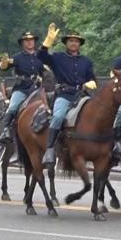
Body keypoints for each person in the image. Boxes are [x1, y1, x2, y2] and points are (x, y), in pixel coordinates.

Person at [37, 24, 97, 166]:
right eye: (71, 41)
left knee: (99, 113)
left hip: (82, 95)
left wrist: (91, 83)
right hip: (64, 94)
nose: (73, 43)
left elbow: (92, 78)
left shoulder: (86, 61)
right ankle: (49, 150)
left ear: (79, 44)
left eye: (76, 41)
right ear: (66, 43)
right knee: (58, 117)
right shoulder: (58, 57)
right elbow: (41, 57)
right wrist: (47, 42)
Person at [0, 31, 45, 143]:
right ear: (23, 43)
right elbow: (4, 67)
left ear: (34, 42)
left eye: (31, 40)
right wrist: (3, 64)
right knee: (13, 107)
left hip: (38, 88)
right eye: (26, 40)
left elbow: (46, 71)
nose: (29, 42)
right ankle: (5, 130)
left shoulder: (40, 56)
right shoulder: (17, 57)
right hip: (22, 88)